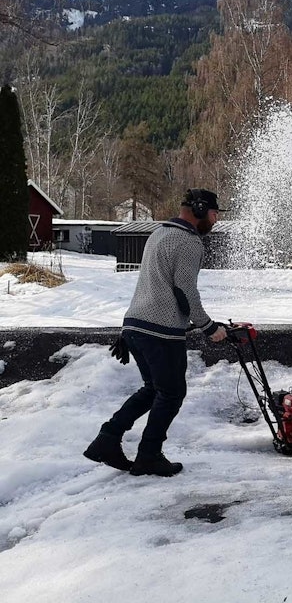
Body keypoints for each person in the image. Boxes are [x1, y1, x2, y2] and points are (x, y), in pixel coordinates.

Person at [84, 188, 229, 477]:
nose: (215, 220)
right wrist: (209, 327)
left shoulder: (158, 233)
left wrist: (128, 330)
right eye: (213, 213)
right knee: (173, 392)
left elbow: (151, 284)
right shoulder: (188, 241)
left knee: (154, 389)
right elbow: (184, 290)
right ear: (199, 210)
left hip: (137, 324)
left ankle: (107, 439)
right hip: (161, 332)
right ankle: (149, 455)